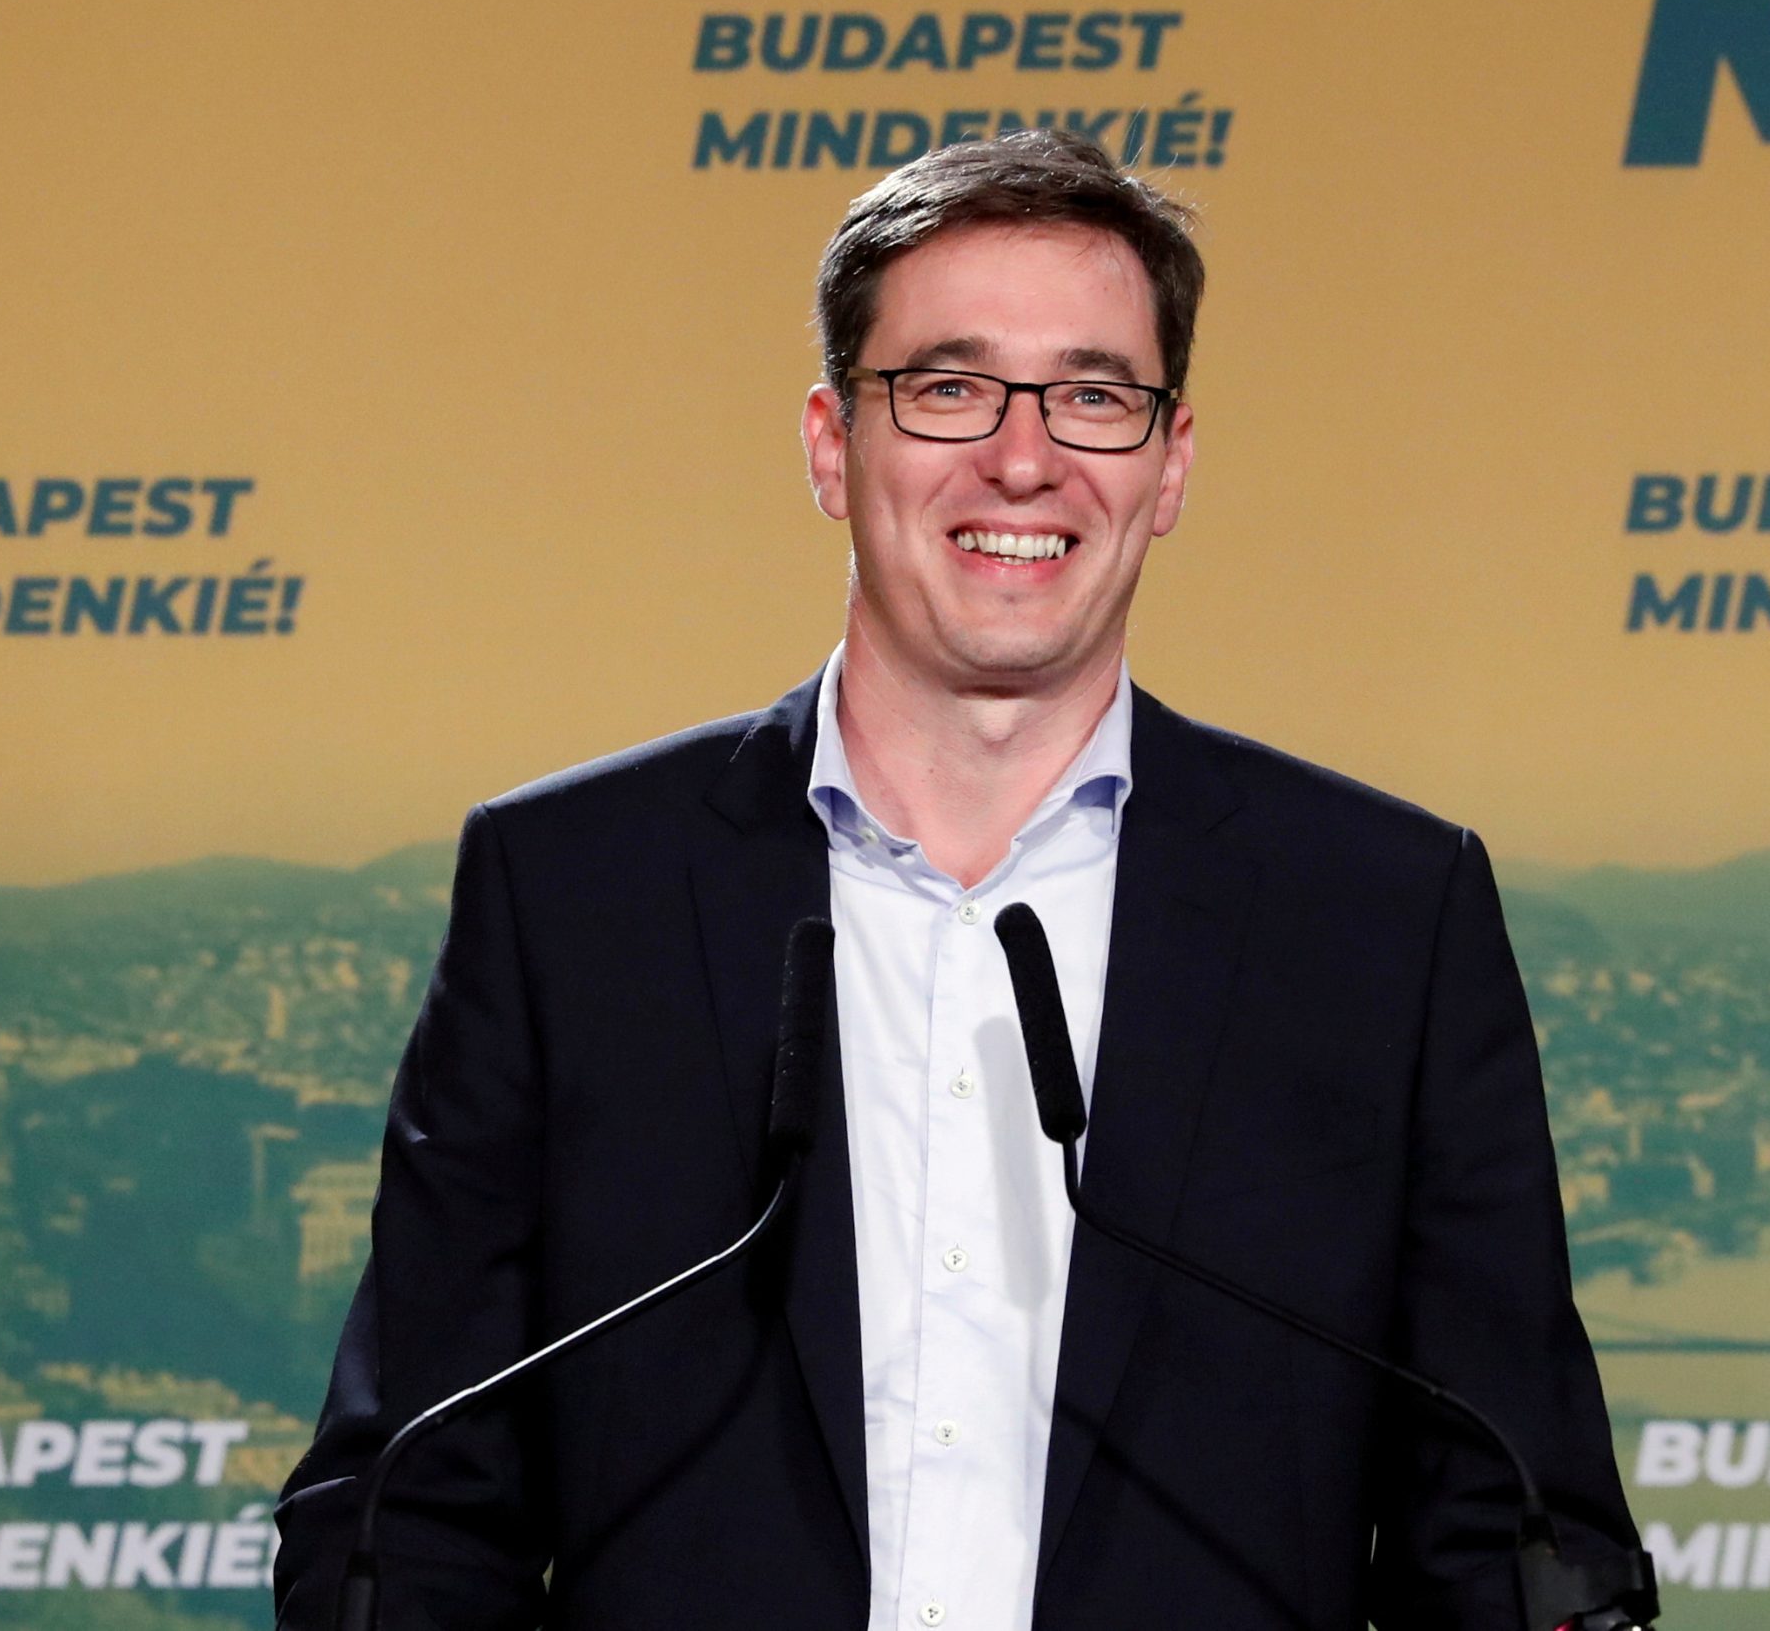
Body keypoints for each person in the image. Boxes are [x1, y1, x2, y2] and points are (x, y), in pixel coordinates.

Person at [274, 129, 1639, 1631]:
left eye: (1097, 395)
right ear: (826, 442)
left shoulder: (1382, 914)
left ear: (1171, 463)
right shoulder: (574, 893)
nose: (1025, 456)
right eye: (949, 387)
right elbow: (406, 1512)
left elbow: (1511, 1528)